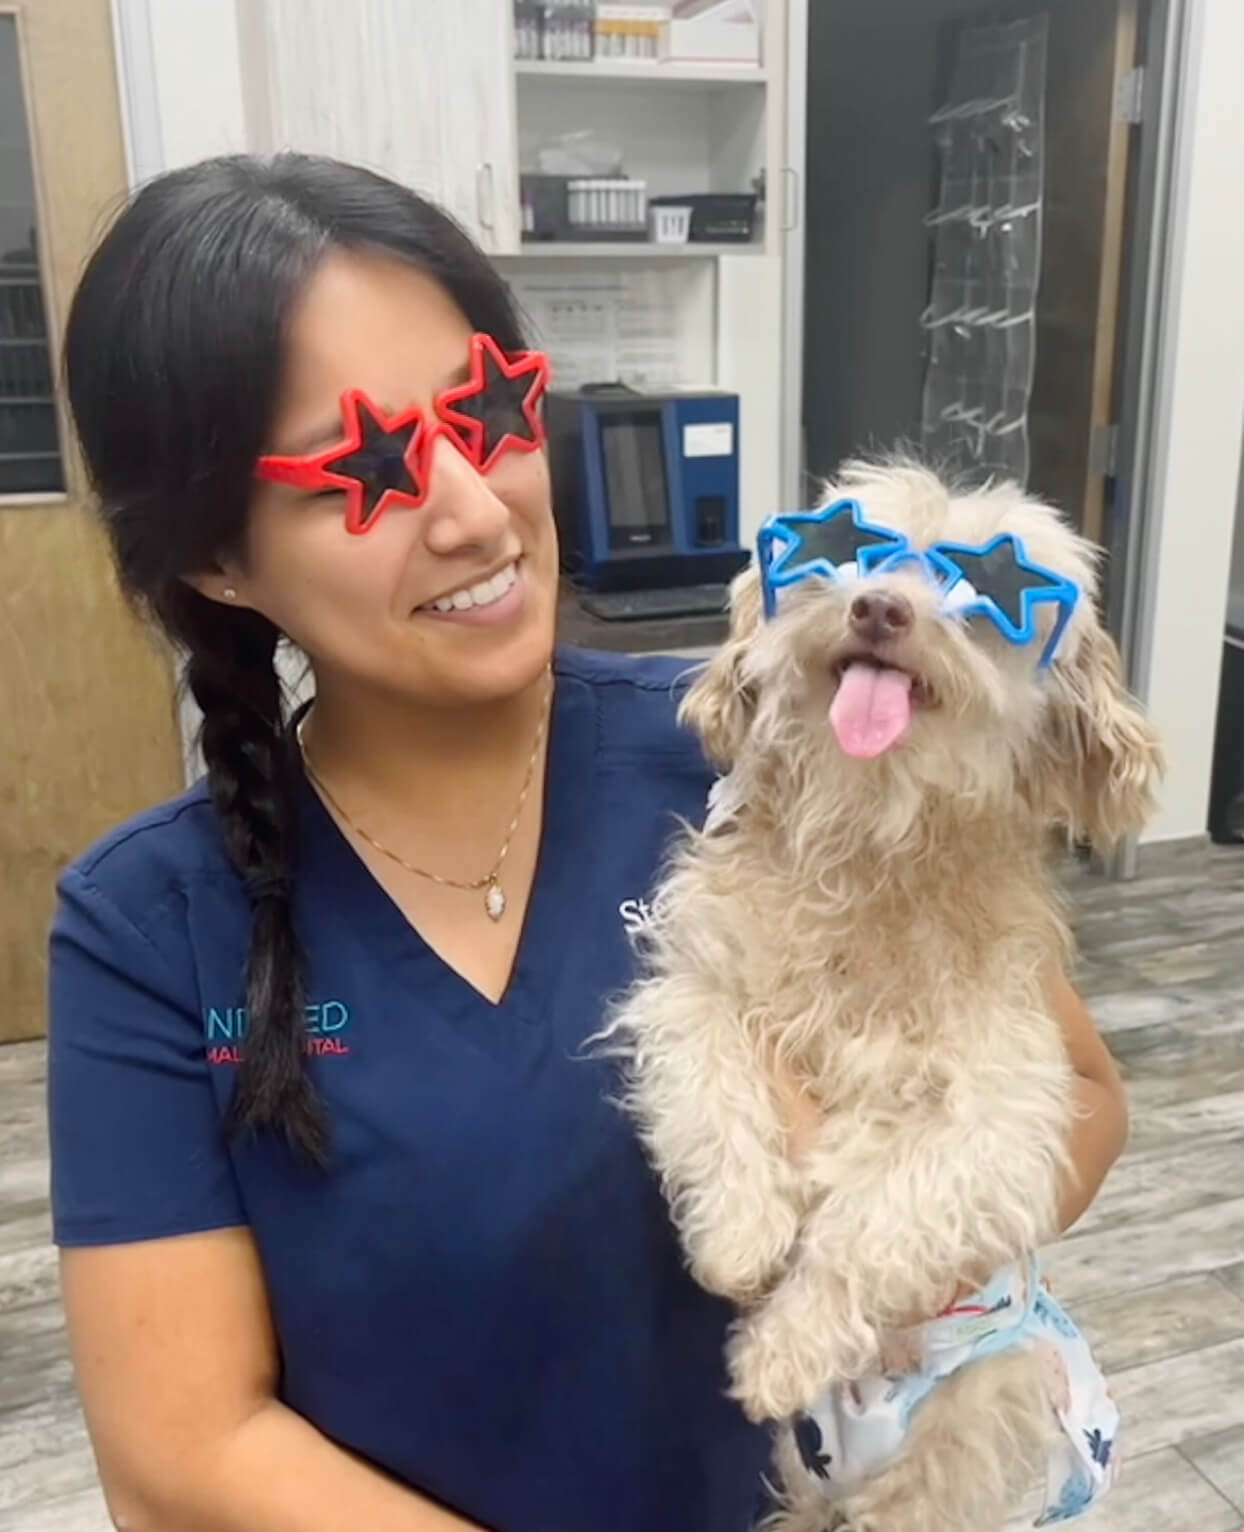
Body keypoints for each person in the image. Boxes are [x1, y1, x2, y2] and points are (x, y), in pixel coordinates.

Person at [48, 153, 1129, 1532]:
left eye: (487, 410)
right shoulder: (151, 928)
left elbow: (1078, 1097)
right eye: (366, 469)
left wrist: (886, 1260)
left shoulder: (768, 748)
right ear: (217, 559)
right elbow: (183, 1456)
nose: (473, 509)